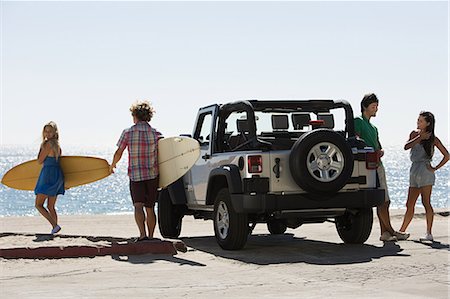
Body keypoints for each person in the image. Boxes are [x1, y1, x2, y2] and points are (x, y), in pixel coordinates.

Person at [354, 93, 409, 242]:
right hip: (369, 166)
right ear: (365, 106)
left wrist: (381, 151)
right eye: (373, 106)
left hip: (378, 165)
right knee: (382, 200)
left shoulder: (374, 127)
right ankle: (391, 231)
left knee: (385, 200)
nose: (376, 109)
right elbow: (356, 140)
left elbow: (378, 145)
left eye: (377, 106)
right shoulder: (358, 121)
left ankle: (385, 233)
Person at [110, 101, 161, 242]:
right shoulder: (156, 133)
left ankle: (142, 235)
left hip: (136, 175)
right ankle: (151, 237)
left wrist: (112, 165)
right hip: (152, 175)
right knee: (150, 208)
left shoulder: (128, 132)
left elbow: (119, 152)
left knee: (138, 206)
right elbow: (163, 155)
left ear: (135, 116)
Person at [399, 111, 449, 241]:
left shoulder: (433, 138)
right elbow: (406, 146)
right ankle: (402, 231)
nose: (418, 122)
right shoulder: (414, 134)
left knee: (426, 202)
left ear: (428, 123)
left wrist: (435, 168)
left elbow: (447, 155)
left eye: (421, 120)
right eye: (418, 120)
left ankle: (429, 233)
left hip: (425, 171)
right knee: (409, 203)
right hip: (414, 169)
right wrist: (419, 138)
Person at [34, 121, 65, 234]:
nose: (47, 134)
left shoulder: (47, 145)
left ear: (54, 132)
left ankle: (55, 225)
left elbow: (39, 160)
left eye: (50, 131)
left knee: (38, 205)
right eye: (46, 131)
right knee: (51, 206)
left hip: (48, 174)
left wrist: (41, 148)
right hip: (58, 175)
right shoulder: (57, 145)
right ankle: (54, 230)